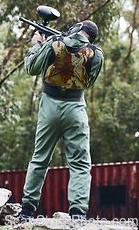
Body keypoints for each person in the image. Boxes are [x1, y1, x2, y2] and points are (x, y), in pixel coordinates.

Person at [19, 20, 104, 220]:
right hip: (75, 107)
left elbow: (31, 68)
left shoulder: (53, 43)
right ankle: (77, 215)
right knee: (81, 164)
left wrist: (36, 45)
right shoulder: (96, 54)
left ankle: (26, 212)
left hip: (49, 106)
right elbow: (88, 82)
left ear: (77, 28)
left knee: (40, 159)